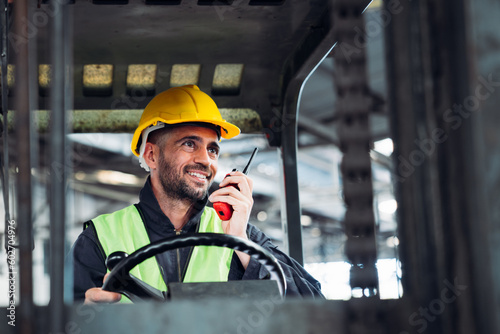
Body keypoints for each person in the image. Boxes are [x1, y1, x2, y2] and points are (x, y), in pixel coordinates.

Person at [72, 85, 324, 303]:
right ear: (151, 155)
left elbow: (313, 307)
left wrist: (241, 242)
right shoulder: (100, 237)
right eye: (189, 144)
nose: (206, 160)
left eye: (213, 149)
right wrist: (87, 315)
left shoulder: (238, 235)